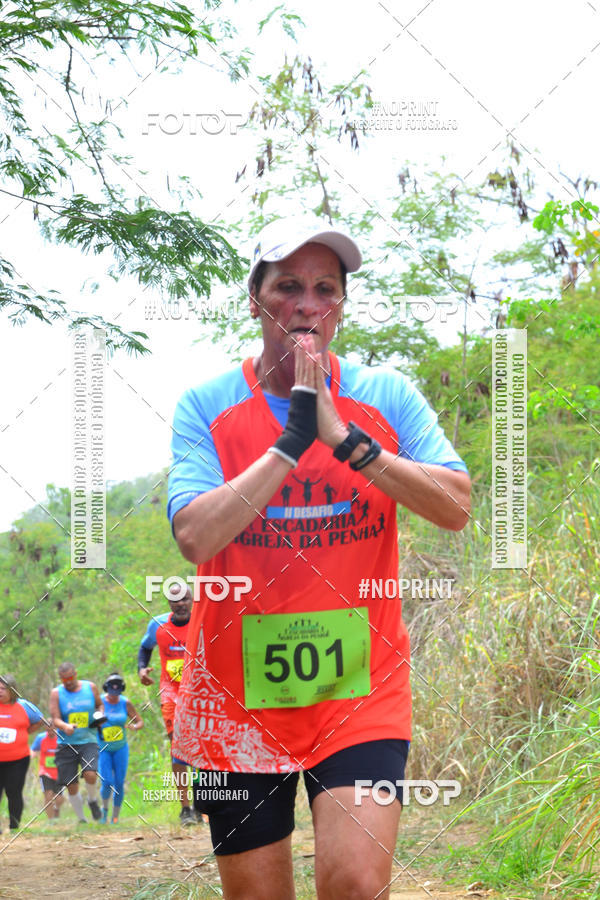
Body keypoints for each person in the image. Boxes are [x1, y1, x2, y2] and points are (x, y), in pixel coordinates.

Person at [167, 216, 472, 899]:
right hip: (235, 703)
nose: (307, 304)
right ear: (256, 299)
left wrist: (342, 436)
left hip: (359, 695)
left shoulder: (386, 397)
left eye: (325, 289)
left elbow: (454, 505)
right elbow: (194, 535)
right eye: (288, 286)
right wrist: (289, 442)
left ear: (340, 307)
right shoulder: (207, 407)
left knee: (357, 884)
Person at [138, 582, 196, 825]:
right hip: (171, 692)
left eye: (184, 599)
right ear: (169, 603)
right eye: (175, 600)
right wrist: (142, 669)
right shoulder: (159, 625)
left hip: (200, 693)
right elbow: (144, 647)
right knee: (178, 746)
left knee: (203, 747)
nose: (180, 604)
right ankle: (186, 809)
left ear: (192, 599)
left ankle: (204, 803)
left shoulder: (203, 621)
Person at [49, 662, 103, 823]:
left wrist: (100, 715)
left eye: (71, 677)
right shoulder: (56, 693)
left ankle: (92, 800)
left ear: (76, 674)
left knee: (90, 773)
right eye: (64, 679)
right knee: (71, 785)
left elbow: (100, 705)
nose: (68, 682)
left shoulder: (90, 687)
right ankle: (82, 819)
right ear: (61, 679)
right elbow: (55, 718)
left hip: (88, 740)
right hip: (66, 744)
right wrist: (65, 726)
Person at [97, 673, 143, 824]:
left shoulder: (125, 703)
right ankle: (104, 811)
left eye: (117, 687)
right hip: (103, 748)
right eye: (111, 687)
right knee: (107, 782)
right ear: (106, 688)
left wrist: (134, 726)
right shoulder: (100, 702)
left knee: (118, 782)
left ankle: (115, 817)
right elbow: (92, 720)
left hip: (120, 748)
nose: (114, 691)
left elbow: (139, 721)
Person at [0, 673, 44, 831]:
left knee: (14, 792)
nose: (0, 691)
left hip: (18, 760)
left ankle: (14, 826)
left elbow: (40, 719)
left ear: (12, 690)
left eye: (3, 688)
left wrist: (25, 731)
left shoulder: (24, 705)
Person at [31, 726, 65, 820]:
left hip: (59, 771)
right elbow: (33, 750)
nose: (50, 732)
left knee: (59, 798)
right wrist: (30, 756)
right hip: (45, 771)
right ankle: (50, 820)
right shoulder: (40, 737)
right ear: (46, 729)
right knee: (48, 795)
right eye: (48, 730)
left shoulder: (62, 737)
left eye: (53, 730)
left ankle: (56, 809)